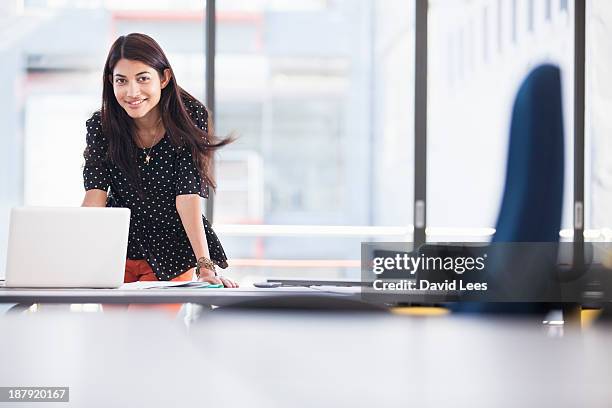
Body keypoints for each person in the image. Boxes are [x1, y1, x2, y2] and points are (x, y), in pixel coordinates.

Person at [81, 33, 238, 290]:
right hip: (116, 250)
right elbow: (95, 197)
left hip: (172, 252)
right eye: (121, 81)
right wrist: (72, 255)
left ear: (163, 78)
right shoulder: (101, 125)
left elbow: (187, 199)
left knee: (147, 329)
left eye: (143, 78)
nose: (132, 92)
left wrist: (205, 267)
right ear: (111, 82)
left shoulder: (189, 117)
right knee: (115, 330)